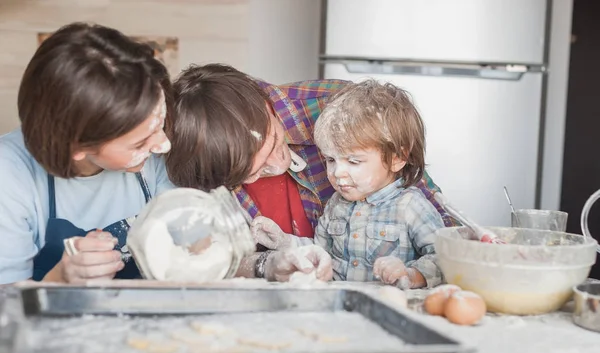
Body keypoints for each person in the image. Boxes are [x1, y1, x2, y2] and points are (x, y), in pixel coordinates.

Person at [166, 64, 457, 282]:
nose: (271, 170)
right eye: (245, 176)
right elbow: (198, 259)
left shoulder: (342, 110)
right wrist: (276, 252)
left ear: (268, 107)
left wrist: (424, 273)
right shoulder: (195, 159)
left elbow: (447, 234)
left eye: (269, 150)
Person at [0, 22, 175, 285]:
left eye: (160, 125)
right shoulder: (9, 174)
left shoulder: (155, 157)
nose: (164, 145)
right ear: (77, 145)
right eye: (139, 143)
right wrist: (60, 279)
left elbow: (190, 246)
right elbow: (6, 304)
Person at [251, 80, 445, 289]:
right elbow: (320, 250)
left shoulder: (410, 206)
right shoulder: (337, 204)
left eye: (353, 161)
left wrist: (411, 274)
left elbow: (443, 258)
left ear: (397, 158)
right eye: (330, 160)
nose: (337, 173)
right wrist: (284, 242)